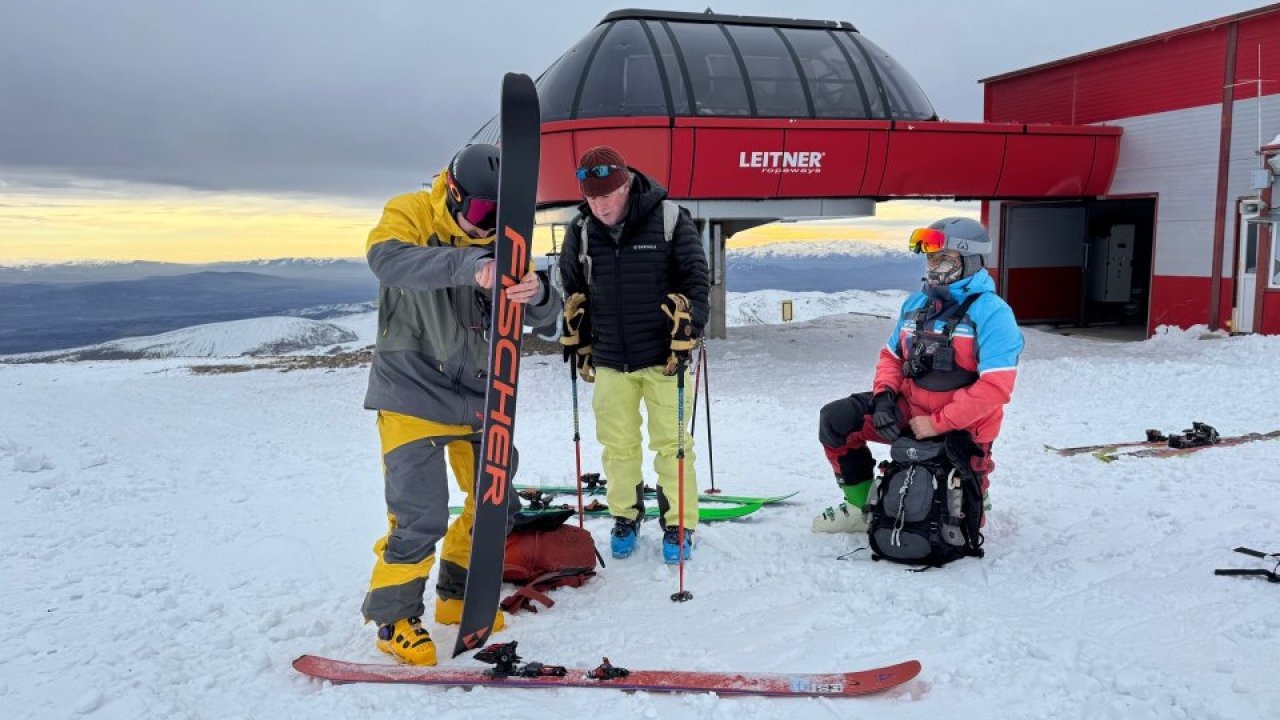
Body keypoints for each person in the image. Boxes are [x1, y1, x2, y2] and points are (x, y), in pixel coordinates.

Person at [361, 143, 562, 666]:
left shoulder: (502, 244)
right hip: (411, 393)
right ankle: (394, 619)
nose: (486, 225)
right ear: (452, 194)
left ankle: (458, 594)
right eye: (479, 211)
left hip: (479, 397)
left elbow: (545, 317)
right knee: (420, 516)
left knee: (496, 505)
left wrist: (538, 295)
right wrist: (473, 266)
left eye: (498, 214)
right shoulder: (411, 212)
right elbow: (388, 261)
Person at [812, 217, 1023, 533]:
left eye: (945, 258)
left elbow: (995, 388)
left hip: (964, 427)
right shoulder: (917, 305)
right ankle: (860, 505)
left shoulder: (993, 313)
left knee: (961, 523)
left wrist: (938, 423)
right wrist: (884, 398)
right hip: (911, 411)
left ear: (971, 259)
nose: (935, 265)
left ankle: (975, 484)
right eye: (931, 257)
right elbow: (892, 357)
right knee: (836, 419)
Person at [558, 145, 710, 564]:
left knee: (673, 445)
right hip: (610, 358)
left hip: (664, 358)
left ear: (626, 185)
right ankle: (625, 516)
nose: (600, 206)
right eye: (591, 198)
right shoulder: (581, 229)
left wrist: (691, 328)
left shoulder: (669, 219)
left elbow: (697, 283)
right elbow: (573, 289)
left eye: (607, 196)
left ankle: (679, 523)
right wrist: (577, 331)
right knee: (617, 445)